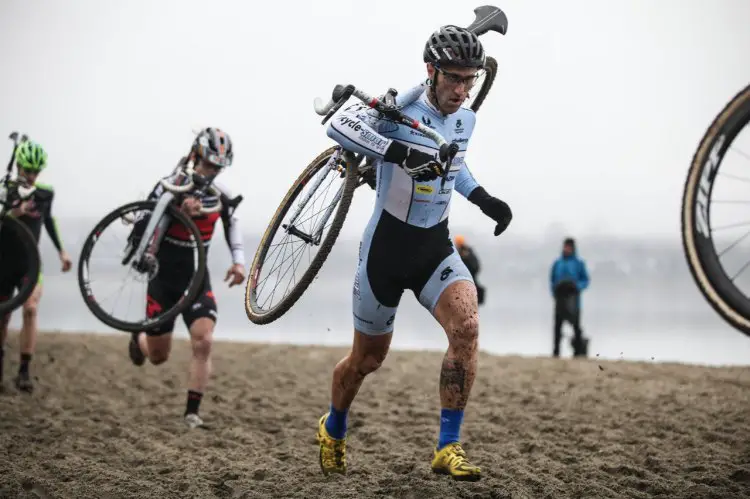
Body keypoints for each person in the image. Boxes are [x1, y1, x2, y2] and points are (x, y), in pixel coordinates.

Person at [315, 25, 512, 481]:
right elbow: (338, 126)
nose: (462, 90)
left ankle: (448, 446)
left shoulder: (466, 119)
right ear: (431, 71)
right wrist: (399, 151)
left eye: (470, 80)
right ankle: (334, 426)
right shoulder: (398, 110)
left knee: (466, 327)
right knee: (367, 361)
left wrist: (483, 199)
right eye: (453, 79)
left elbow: (454, 166)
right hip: (385, 249)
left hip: (433, 247)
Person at [127, 127, 246, 429]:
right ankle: (139, 340)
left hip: (196, 278)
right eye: (207, 164)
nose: (212, 171)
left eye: (218, 167)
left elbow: (233, 226)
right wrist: (177, 210)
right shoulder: (169, 185)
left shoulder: (222, 196)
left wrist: (238, 262)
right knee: (157, 356)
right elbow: (143, 226)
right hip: (163, 279)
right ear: (194, 157)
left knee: (204, 341)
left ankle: (192, 413)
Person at [0, 139, 72, 393]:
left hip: (30, 264)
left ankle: (24, 371)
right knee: (3, 316)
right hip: (3, 263)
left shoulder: (44, 193)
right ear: (18, 166)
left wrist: (62, 251)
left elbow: (48, 221)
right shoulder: (4, 189)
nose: (31, 176)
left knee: (30, 308)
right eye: (27, 170)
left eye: (35, 171)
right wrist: (12, 213)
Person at [549, 237, 590, 358]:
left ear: (573, 248)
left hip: (574, 301)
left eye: (569, 247)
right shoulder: (557, 263)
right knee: (557, 327)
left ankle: (578, 353)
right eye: (565, 246)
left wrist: (577, 287)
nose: (566, 249)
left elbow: (585, 280)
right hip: (559, 300)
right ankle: (556, 353)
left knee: (576, 327)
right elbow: (552, 280)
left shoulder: (579, 263)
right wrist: (554, 292)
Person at [454, 234, 485, 306]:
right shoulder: (460, 252)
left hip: (470, 275)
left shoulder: (468, 252)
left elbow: (475, 265)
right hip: (465, 276)